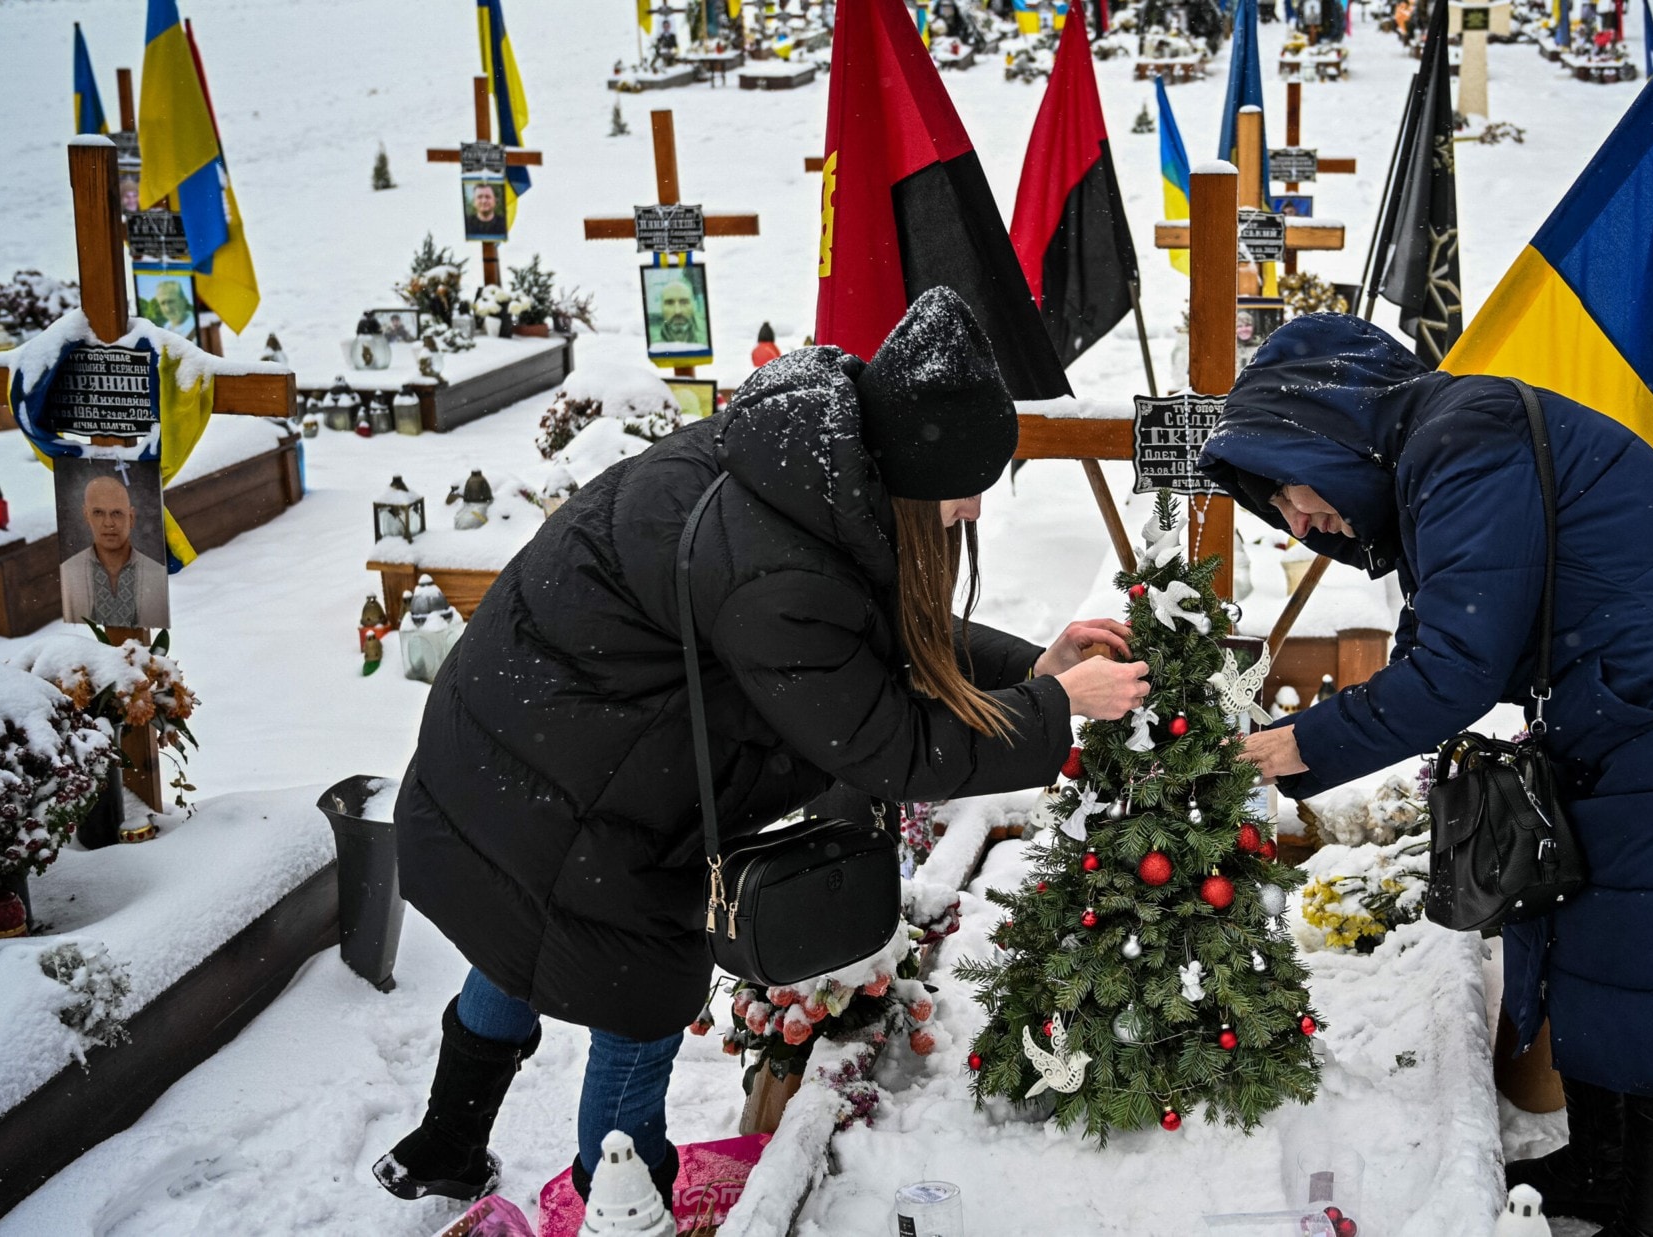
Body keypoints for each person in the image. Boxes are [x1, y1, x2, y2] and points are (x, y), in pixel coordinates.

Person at [375, 288, 1150, 1212]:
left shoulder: (806, 471)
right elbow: (888, 745)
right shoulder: (782, 564)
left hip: (508, 750)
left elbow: (872, 627)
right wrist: (1054, 710)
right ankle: (622, 1206)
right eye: (964, 488)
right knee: (633, 985)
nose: (972, 508)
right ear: (910, 469)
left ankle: (447, 1139)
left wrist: (1036, 669)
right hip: (578, 784)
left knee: (520, 924)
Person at [1199, 315, 1653, 1237]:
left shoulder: (1462, 439)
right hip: (1642, 713)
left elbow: (1452, 673)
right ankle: (1604, 1165)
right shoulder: (1441, 451)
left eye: (1294, 496)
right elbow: (1453, 629)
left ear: (1326, 429)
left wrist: (1292, 746)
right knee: (1608, 949)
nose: (1300, 524)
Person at [60, 471, 169, 627]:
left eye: (117, 513)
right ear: (86, 516)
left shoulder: (156, 574)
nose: (108, 523)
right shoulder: (69, 572)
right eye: (98, 513)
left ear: (131, 517)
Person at [651, 275, 705, 345]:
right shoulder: (652, 345)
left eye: (684, 302)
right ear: (661, 307)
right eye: (670, 303)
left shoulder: (707, 340)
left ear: (693, 305)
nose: (677, 311)